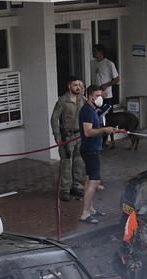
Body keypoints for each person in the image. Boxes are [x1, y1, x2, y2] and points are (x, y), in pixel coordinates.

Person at [78, 84, 117, 224]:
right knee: (93, 182)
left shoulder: (93, 110)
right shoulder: (87, 111)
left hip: (92, 149)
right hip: (90, 150)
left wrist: (105, 129)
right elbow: (88, 132)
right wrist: (104, 130)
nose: (100, 98)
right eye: (97, 96)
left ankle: (91, 209)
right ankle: (85, 213)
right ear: (89, 96)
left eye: (101, 95)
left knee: (89, 180)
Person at [50, 76, 86, 201]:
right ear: (69, 86)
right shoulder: (62, 100)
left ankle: (76, 187)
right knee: (66, 163)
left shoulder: (83, 99)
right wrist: (57, 135)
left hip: (80, 136)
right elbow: (54, 118)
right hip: (67, 137)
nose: (78, 87)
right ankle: (65, 190)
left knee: (79, 163)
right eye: (75, 85)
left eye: (80, 85)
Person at [92, 45, 120, 148]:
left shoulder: (109, 64)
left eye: (95, 51)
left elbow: (117, 79)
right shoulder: (92, 63)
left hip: (107, 96)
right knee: (96, 119)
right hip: (95, 97)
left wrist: (106, 85)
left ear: (101, 52)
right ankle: (99, 141)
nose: (93, 54)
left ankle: (106, 141)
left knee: (107, 119)